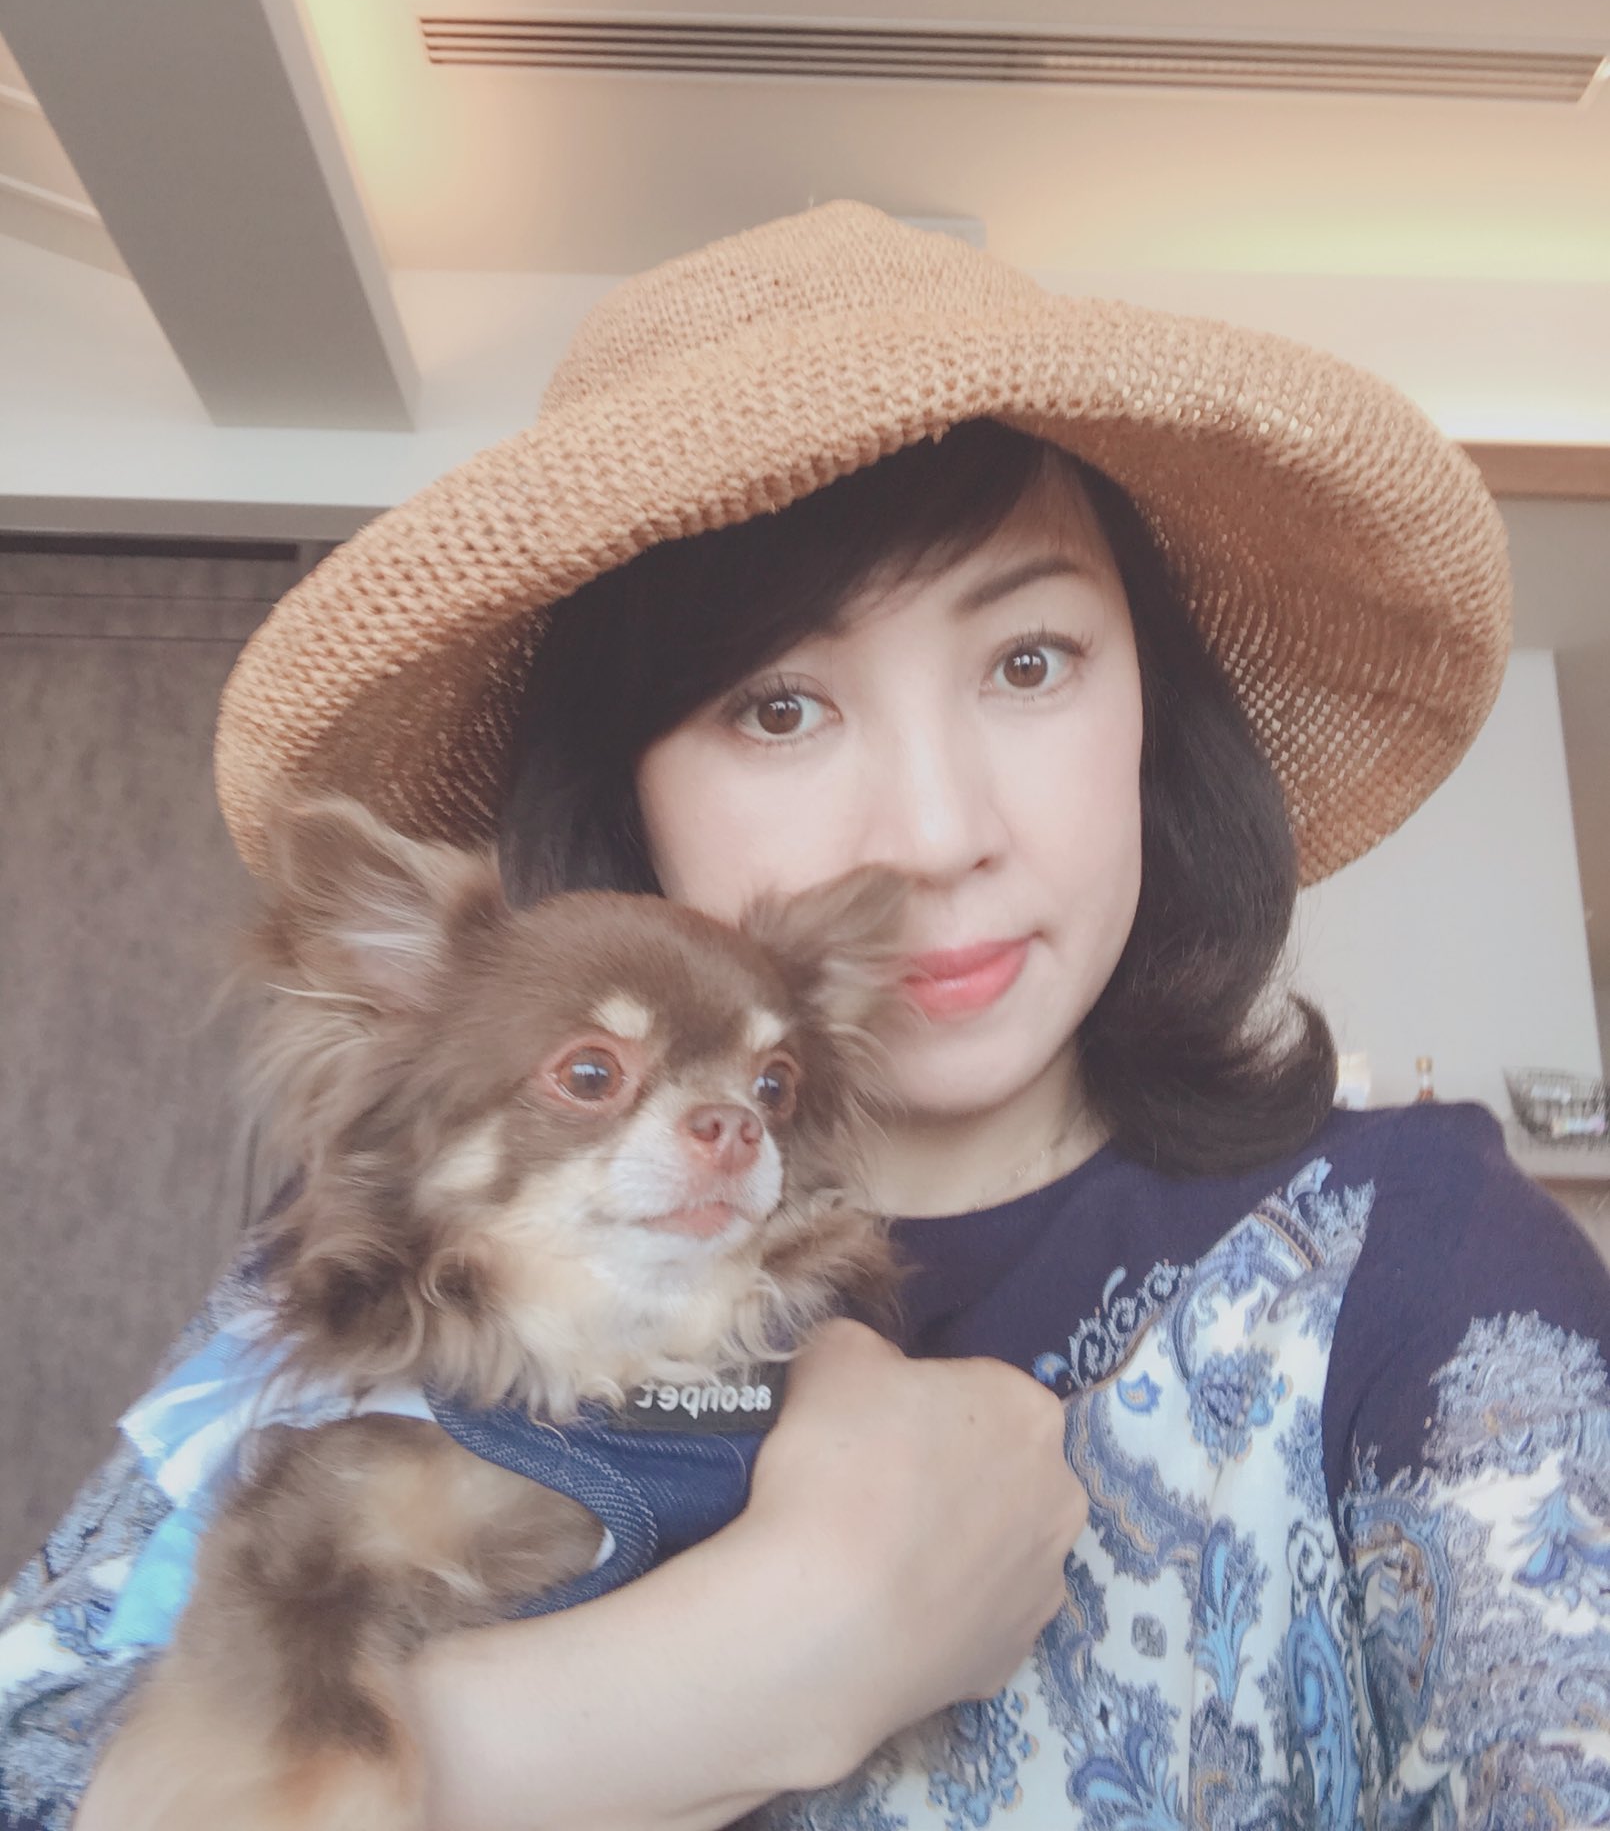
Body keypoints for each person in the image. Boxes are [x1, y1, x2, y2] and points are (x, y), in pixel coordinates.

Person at [4, 199, 1607, 1829]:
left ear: (1152, 705)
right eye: (777, 707)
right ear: (625, 789)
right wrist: (752, 1670)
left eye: (1030, 662)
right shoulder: (400, 1254)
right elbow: (39, 1751)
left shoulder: (1411, 1259)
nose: (932, 835)